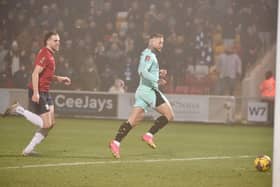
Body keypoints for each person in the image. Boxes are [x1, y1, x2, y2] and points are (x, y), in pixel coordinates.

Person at [3, 31, 71, 156]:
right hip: (39, 91)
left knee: (51, 124)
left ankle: (28, 150)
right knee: (46, 123)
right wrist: (36, 92)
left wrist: (59, 78)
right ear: (48, 41)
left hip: (45, 91)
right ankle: (18, 109)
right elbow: (35, 73)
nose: (58, 43)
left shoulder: (50, 55)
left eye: (59, 40)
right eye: (55, 40)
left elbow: (47, 75)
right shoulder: (45, 54)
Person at [109, 33, 174, 159]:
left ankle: (115, 142)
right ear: (152, 41)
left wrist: (158, 74)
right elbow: (142, 71)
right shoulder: (149, 55)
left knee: (133, 120)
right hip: (149, 91)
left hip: (142, 90)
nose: (162, 45)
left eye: (162, 42)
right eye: (160, 42)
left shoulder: (148, 54)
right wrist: (157, 80)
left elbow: (147, 72)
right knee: (169, 115)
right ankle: (149, 135)